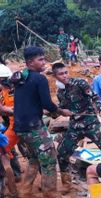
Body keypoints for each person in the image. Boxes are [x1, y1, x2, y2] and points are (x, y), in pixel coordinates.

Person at [12, 46, 72, 197]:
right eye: (41, 59)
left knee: (34, 160)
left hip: (20, 127)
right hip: (34, 128)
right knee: (49, 161)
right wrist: (60, 111)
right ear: (30, 62)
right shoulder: (40, 78)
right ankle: (50, 194)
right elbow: (47, 103)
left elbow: (30, 101)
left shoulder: (21, 77)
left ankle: (25, 191)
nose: (45, 62)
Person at [52, 62, 101, 194]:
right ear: (55, 76)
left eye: (66, 72)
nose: (65, 76)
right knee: (62, 153)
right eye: (61, 74)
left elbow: (94, 96)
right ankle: (67, 185)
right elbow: (63, 107)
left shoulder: (80, 83)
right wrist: (59, 111)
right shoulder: (60, 91)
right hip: (75, 126)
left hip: (91, 123)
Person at [0, 64, 19, 196]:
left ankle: (10, 191)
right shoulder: (6, 90)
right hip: (9, 126)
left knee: (6, 155)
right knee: (7, 153)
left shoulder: (12, 91)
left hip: (15, 126)